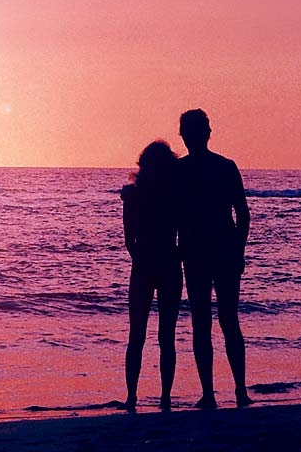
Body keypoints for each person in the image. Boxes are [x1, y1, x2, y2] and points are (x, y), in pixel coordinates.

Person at [176, 109, 252, 408]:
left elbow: (167, 213)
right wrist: (239, 250)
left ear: (184, 135)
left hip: (200, 252)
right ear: (207, 133)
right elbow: (243, 215)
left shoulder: (181, 171)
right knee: (226, 320)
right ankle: (237, 391)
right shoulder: (224, 167)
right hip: (218, 251)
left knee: (205, 323)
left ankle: (212, 393)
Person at [120, 140, 183, 411]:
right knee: (166, 336)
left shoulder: (133, 196)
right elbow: (186, 233)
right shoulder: (175, 195)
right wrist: (177, 254)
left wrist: (140, 258)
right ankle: (165, 397)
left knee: (137, 335)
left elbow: (129, 239)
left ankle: (132, 397)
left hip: (144, 265)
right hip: (169, 264)